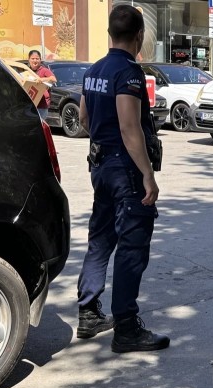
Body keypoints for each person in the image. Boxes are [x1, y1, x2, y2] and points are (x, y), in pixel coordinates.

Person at [76, 4, 169, 353]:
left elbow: (85, 118)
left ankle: (88, 312)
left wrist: (103, 139)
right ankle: (126, 328)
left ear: (110, 34)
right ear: (140, 36)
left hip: (100, 165)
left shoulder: (95, 69)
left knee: (100, 238)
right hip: (124, 169)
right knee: (131, 247)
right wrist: (147, 175)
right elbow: (131, 129)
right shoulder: (128, 73)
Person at [27, 50, 56, 119]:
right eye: (33, 58)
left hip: (42, 106)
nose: (35, 61)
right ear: (29, 60)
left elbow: (54, 79)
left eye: (37, 59)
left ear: (40, 60)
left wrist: (42, 79)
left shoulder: (44, 70)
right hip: (30, 105)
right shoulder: (27, 71)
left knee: (40, 126)